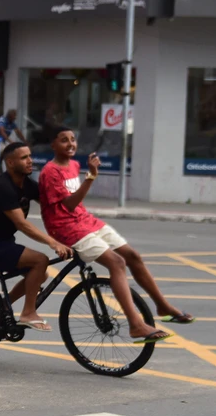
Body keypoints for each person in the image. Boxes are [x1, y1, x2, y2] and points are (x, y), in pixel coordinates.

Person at [39, 129, 193, 343]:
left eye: (73, 140)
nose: (70, 144)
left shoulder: (74, 165)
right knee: (116, 262)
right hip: (64, 227)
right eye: (63, 140)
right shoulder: (50, 171)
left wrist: (88, 177)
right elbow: (69, 204)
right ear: (53, 145)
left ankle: (162, 305)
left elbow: (77, 205)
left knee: (133, 256)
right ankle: (136, 325)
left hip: (85, 220)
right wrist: (91, 177)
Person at [0, 142, 73, 330]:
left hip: (4, 241)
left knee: (40, 273)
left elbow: (54, 206)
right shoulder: (3, 187)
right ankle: (28, 313)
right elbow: (21, 224)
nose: (30, 161)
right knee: (40, 261)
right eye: (24, 157)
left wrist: (78, 228)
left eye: (30, 156)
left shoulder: (27, 185)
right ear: (10, 163)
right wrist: (53, 243)